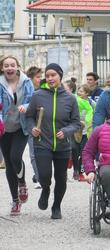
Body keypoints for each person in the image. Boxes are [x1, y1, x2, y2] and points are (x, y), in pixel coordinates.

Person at [26, 63, 81, 219]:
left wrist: (66, 131)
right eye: (48, 75)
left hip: (63, 145)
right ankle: (45, 189)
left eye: (53, 75)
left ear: (60, 76)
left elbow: (76, 123)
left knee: (61, 178)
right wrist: (32, 129)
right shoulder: (38, 95)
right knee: (44, 174)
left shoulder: (70, 98)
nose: (50, 78)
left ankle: (56, 206)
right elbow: (29, 116)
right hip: (42, 142)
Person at [0, 55, 34, 216]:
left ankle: (22, 182)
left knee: (15, 157)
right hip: (4, 128)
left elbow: (32, 100)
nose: (9, 68)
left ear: (18, 66)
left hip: (21, 126)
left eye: (12, 65)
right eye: (6, 65)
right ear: (2, 68)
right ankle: (15, 201)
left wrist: (26, 106)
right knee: (8, 163)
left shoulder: (26, 82)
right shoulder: (0, 83)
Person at [26, 66, 43, 188]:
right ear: (30, 79)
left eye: (40, 77)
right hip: (27, 126)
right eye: (38, 77)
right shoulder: (28, 91)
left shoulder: (41, 91)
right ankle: (39, 177)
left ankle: (40, 177)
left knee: (37, 154)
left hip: (39, 126)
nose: (40, 79)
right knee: (33, 154)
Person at [73, 84, 93, 181]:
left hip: (85, 132)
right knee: (74, 150)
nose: (79, 93)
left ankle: (80, 172)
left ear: (87, 94)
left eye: (82, 91)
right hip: (74, 131)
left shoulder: (90, 104)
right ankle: (75, 169)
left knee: (83, 152)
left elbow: (93, 113)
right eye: (79, 90)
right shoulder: (74, 100)